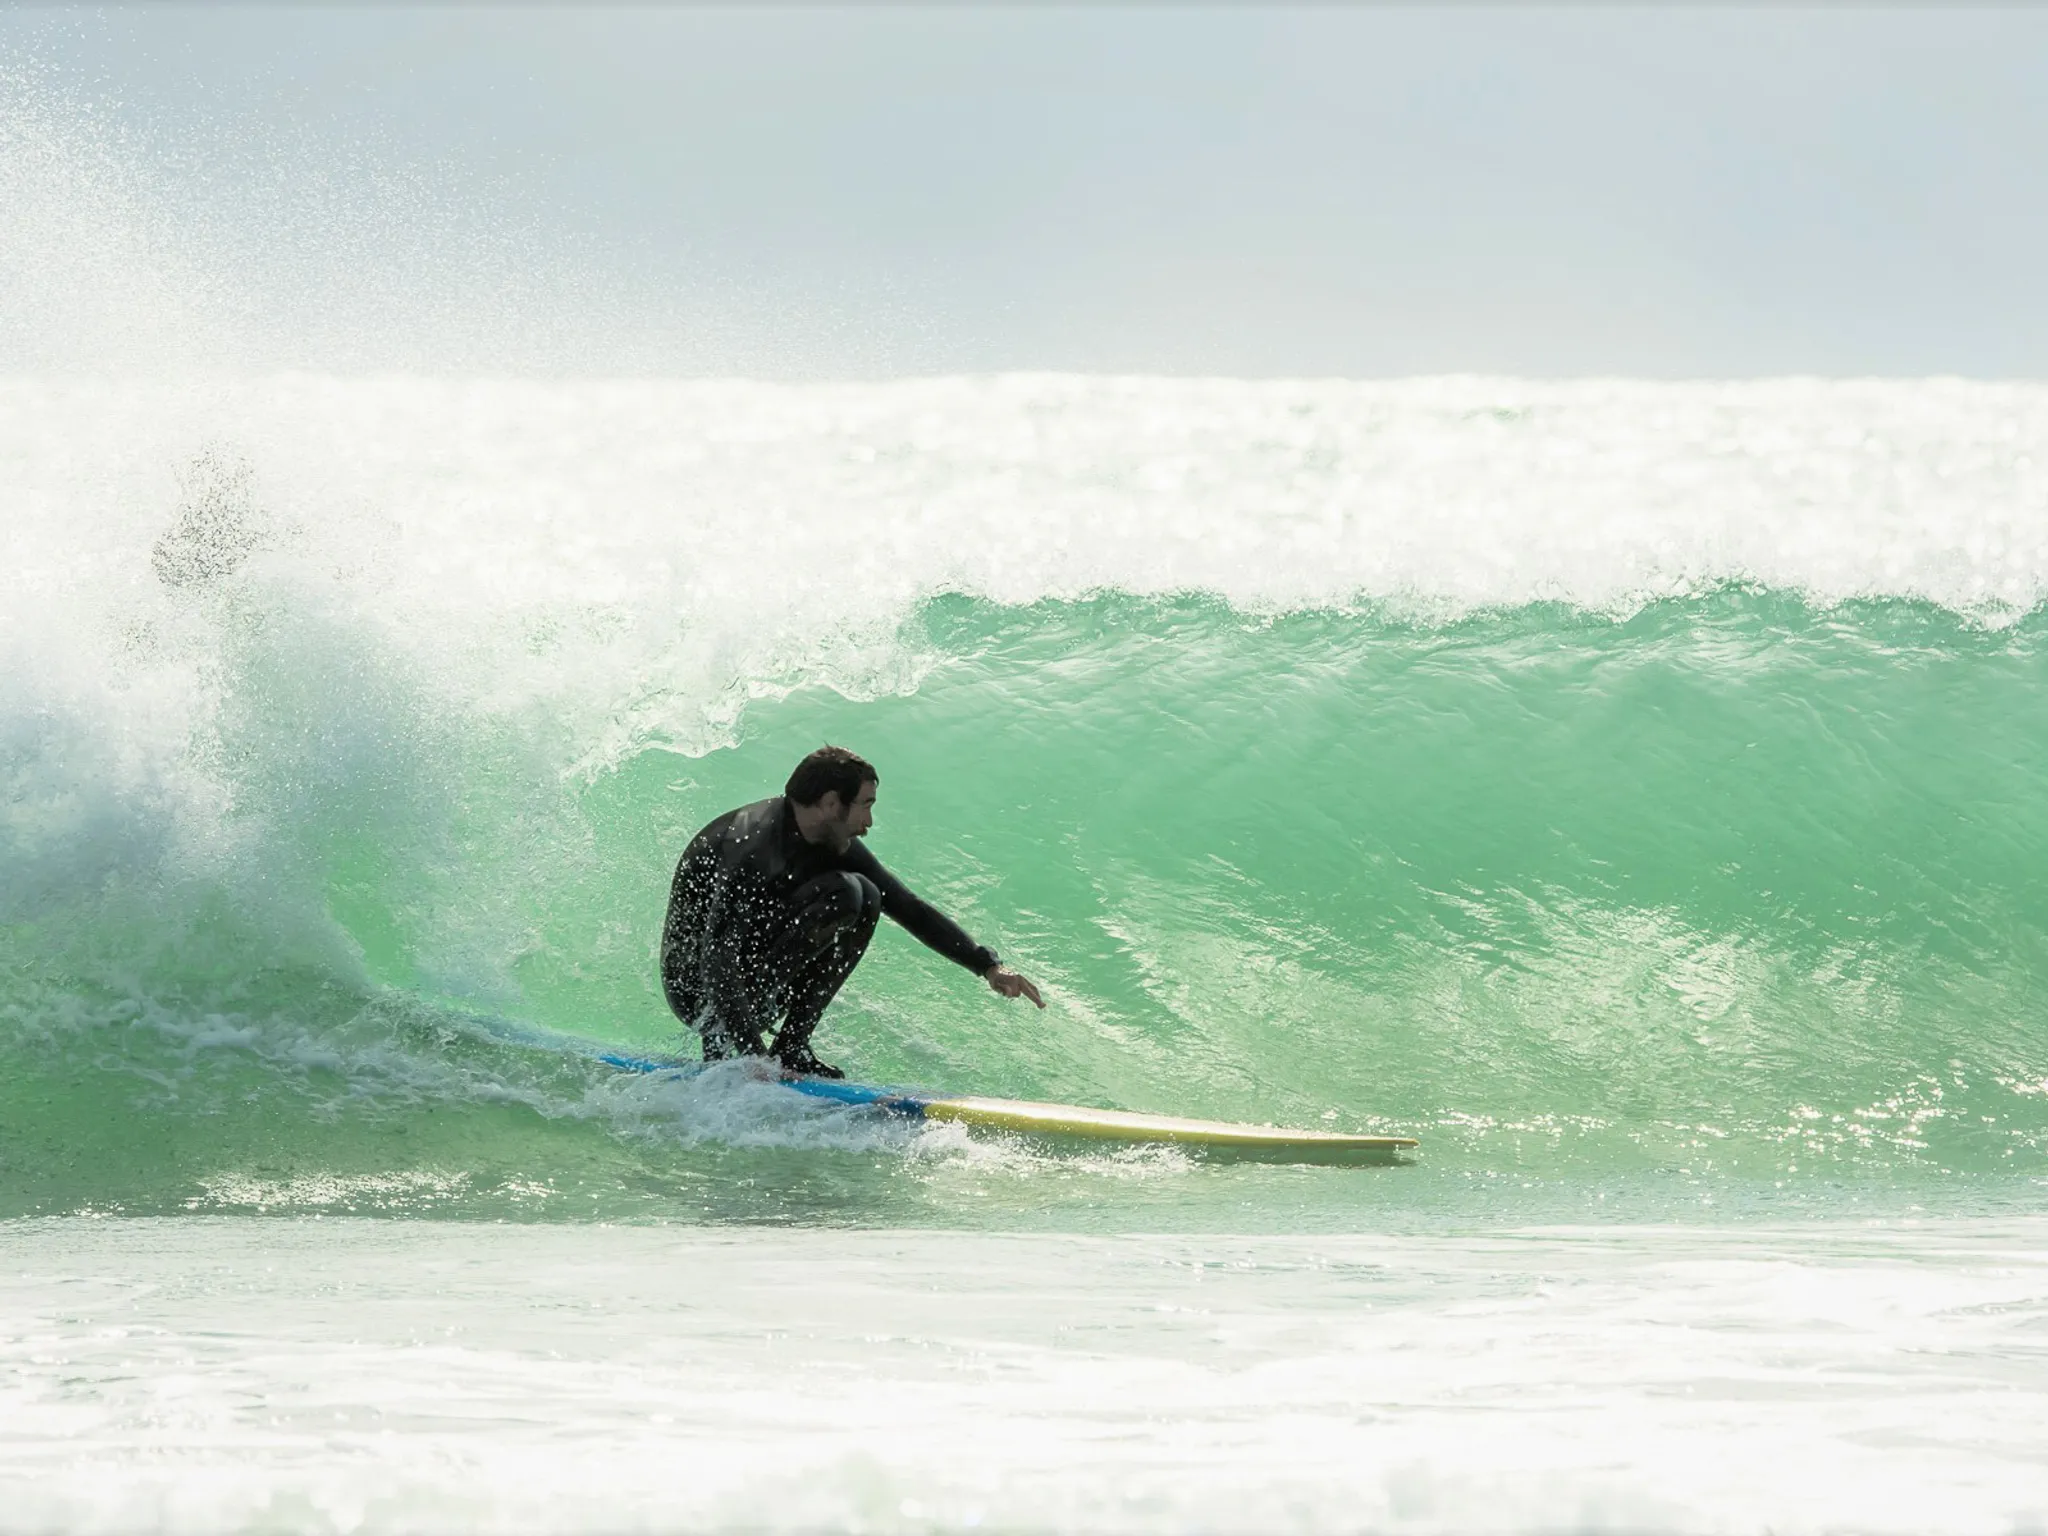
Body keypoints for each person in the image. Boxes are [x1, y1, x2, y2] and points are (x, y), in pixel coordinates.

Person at [659, 745, 1044, 1078]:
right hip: (700, 995)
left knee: (867, 896)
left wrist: (988, 965)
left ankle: (791, 1047)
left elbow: (907, 906)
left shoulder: (825, 839)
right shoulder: (752, 846)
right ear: (829, 803)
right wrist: (750, 1054)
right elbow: (715, 957)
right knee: (846, 893)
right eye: (865, 806)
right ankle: (733, 1049)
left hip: (746, 984)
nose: (868, 823)